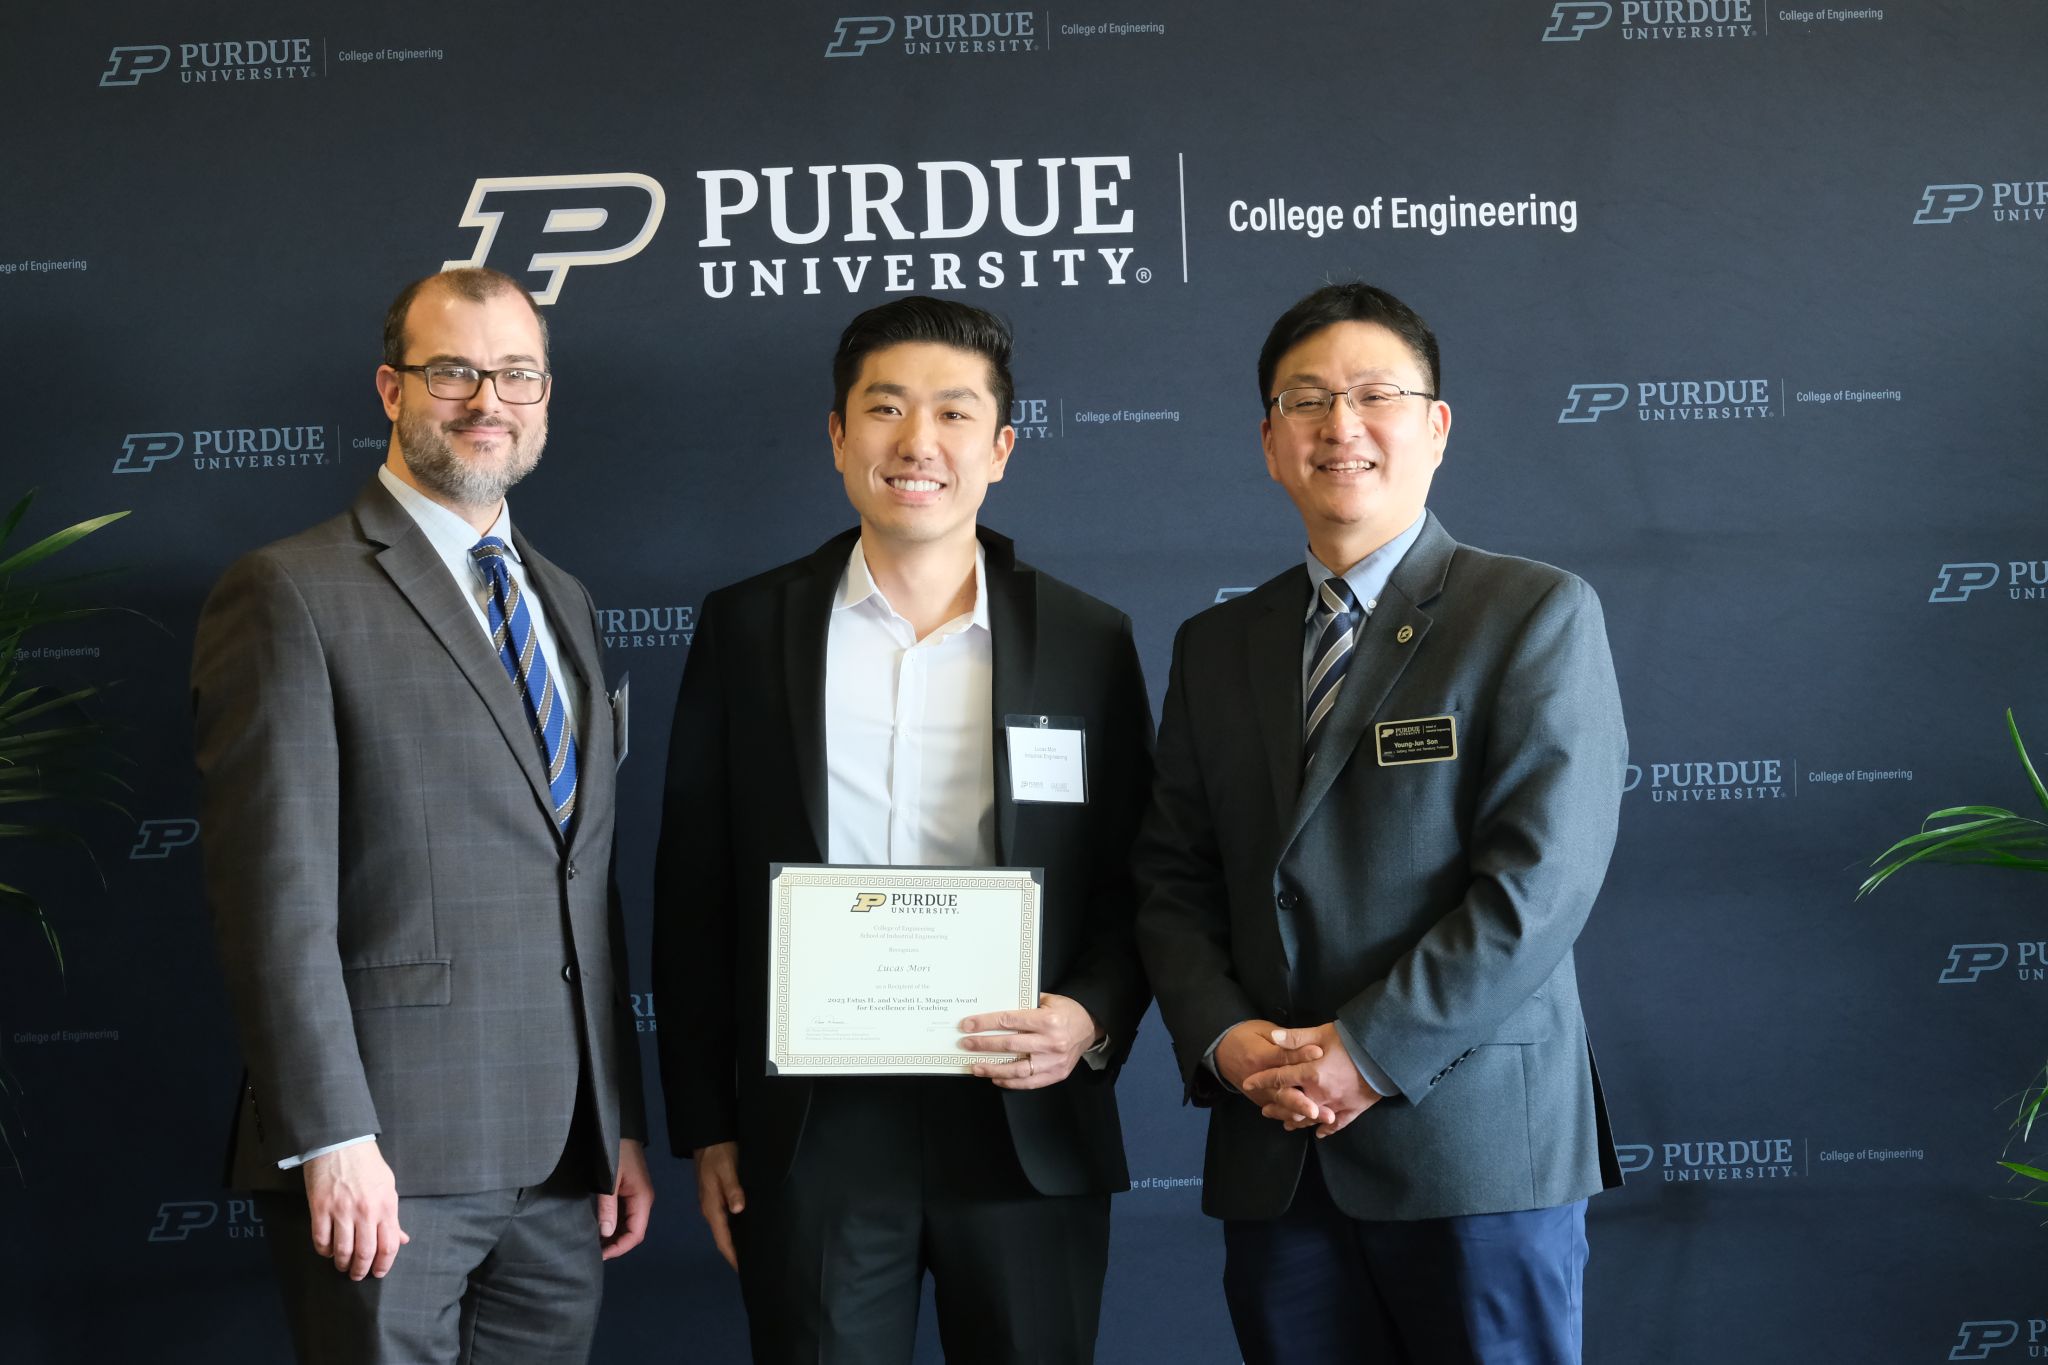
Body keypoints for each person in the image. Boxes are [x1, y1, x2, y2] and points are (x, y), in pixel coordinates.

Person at [1132, 282, 1627, 1365]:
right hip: (1273, 1150)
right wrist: (1224, 1042)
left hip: (1474, 1153)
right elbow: (1170, 876)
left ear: (1434, 427)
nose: (1338, 425)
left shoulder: (1530, 612)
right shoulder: (1215, 646)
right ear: (1268, 442)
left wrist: (1363, 1052)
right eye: (1304, 400)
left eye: (1373, 395)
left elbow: (1537, 884)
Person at [653, 295, 1153, 1364]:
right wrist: (708, 1120)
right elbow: (694, 884)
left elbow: (1140, 878)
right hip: (813, 1129)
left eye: (954, 414)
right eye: (884, 409)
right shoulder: (747, 627)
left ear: (1001, 448)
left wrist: (1089, 1018)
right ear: (838, 436)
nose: (916, 443)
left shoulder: (1085, 639)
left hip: (1023, 1117)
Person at [192, 266, 652, 1364]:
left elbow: (580, 879)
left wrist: (617, 1121)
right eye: (453, 371)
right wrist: (330, 1137)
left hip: (560, 1165)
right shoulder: (290, 590)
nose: (486, 400)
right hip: (386, 1160)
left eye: (515, 374)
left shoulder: (565, 601)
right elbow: (272, 896)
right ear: (392, 388)